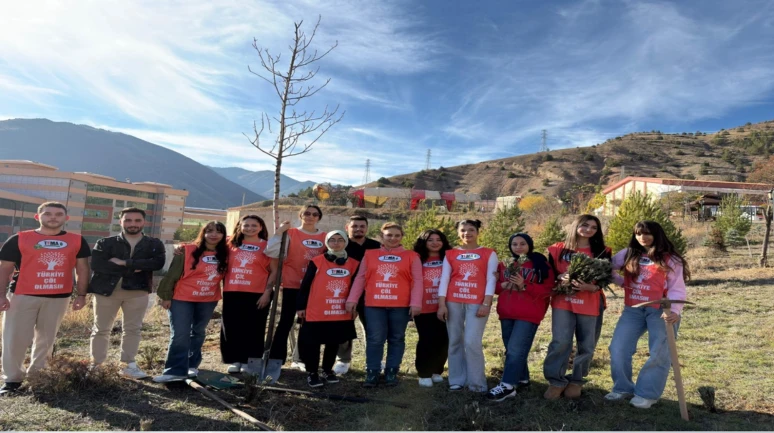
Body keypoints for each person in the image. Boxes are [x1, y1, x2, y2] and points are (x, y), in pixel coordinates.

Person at [0, 202, 91, 396]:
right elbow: (4, 268)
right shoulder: (20, 239)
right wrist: (1, 295)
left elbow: (82, 269)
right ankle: (12, 380)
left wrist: (82, 295)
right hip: (22, 295)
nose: (53, 217)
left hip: (59, 297)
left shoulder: (77, 240)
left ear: (66, 219)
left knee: (46, 340)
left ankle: (38, 377)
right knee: (14, 339)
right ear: (37, 217)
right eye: (48, 214)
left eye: (58, 214)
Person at [605, 221, 690, 409]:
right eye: (638, 234)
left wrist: (675, 311)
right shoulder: (627, 254)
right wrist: (621, 282)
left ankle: (647, 394)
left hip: (661, 310)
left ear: (657, 234)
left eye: (647, 233)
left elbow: (677, 288)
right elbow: (607, 268)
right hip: (633, 309)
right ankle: (622, 388)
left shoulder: (671, 259)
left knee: (659, 351)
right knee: (618, 347)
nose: (643, 237)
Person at [88, 207, 166, 379]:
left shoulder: (154, 244)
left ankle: (127, 366)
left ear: (144, 222)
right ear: (120, 222)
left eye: (137, 220)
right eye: (128, 220)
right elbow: (98, 265)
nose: (133, 224)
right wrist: (137, 265)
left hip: (137, 292)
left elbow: (157, 264)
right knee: (101, 329)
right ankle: (96, 366)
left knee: (133, 330)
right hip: (106, 291)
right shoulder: (105, 243)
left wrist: (124, 263)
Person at [543, 214, 611, 400]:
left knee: (586, 345)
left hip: (590, 302)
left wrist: (592, 287)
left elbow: (606, 278)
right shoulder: (558, 249)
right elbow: (549, 274)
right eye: (585, 225)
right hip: (563, 302)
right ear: (576, 226)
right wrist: (560, 278)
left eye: (593, 227)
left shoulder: (602, 251)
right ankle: (556, 381)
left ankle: (576, 381)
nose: (589, 229)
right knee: (561, 342)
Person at [345, 222, 422, 387]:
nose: (393, 238)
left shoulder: (411, 256)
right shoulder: (370, 254)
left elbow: (417, 281)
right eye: (389, 235)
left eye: (396, 235)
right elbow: (360, 278)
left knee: (396, 338)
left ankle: (391, 372)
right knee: (375, 339)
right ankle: (372, 372)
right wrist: (352, 299)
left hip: (400, 305)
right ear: (382, 237)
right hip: (374, 304)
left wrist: (415, 303)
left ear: (402, 237)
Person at [153, 221, 228, 383]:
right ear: (203, 233)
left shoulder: (227, 253)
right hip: (182, 299)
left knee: (198, 332)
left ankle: (191, 366)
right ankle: (174, 371)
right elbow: (172, 274)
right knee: (180, 334)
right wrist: (165, 296)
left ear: (224, 235)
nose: (214, 235)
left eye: (218, 231)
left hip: (208, 299)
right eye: (209, 231)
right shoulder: (187, 250)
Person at [487, 233, 555, 401]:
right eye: (514, 244)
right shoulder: (505, 264)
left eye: (522, 243)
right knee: (511, 349)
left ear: (529, 245)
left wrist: (524, 285)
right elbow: (494, 287)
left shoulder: (540, 263)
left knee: (516, 349)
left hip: (528, 313)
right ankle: (522, 378)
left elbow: (548, 290)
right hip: (506, 312)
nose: (518, 247)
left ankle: (508, 385)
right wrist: (500, 284)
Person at [264, 205, 326, 383]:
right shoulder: (290, 233)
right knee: (285, 321)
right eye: (307, 213)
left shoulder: (324, 237)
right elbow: (271, 251)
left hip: (314, 287)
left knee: (308, 324)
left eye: (315, 214)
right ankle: (276, 360)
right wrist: (278, 233)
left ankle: (303, 359)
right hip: (292, 284)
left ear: (319, 218)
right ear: (300, 215)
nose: (310, 216)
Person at [437, 219, 498, 393]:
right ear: (458, 232)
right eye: (463, 230)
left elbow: (491, 280)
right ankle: (456, 379)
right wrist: (442, 304)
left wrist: (486, 303)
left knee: (472, 342)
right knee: (455, 340)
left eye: (471, 229)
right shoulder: (450, 254)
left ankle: (477, 383)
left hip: (478, 303)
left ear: (478, 232)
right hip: (453, 301)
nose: (467, 233)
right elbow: (445, 279)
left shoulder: (489, 253)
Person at [296, 230, 359, 387]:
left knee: (334, 342)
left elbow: (358, 286)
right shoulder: (316, 261)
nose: (336, 243)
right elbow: (305, 285)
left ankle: (327, 370)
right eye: (332, 240)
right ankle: (312, 372)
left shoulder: (354, 263)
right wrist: (301, 306)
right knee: (313, 343)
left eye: (340, 240)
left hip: (340, 311)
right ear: (326, 242)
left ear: (345, 242)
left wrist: (356, 306)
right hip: (317, 310)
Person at [221, 215, 277, 376]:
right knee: (231, 327)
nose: (250, 228)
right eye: (246, 225)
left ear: (261, 227)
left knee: (254, 328)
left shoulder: (268, 246)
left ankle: (248, 361)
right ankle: (235, 360)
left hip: (258, 293)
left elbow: (274, 271)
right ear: (240, 227)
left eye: (254, 225)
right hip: (233, 291)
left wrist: (267, 292)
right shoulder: (230, 243)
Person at [333, 215, 381, 375]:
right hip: (344, 292)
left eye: (362, 226)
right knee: (343, 328)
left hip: (370, 294)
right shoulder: (341, 245)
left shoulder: (376, 246)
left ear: (367, 228)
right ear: (347, 227)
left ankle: (374, 360)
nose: (358, 229)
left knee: (372, 328)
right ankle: (343, 360)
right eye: (355, 226)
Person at [412, 229, 451, 387]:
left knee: (443, 340)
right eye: (430, 240)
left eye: (438, 239)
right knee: (426, 339)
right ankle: (424, 372)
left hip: (445, 306)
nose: (435, 243)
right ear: (423, 242)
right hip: (424, 306)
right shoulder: (416, 259)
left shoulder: (449, 258)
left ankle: (436, 370)